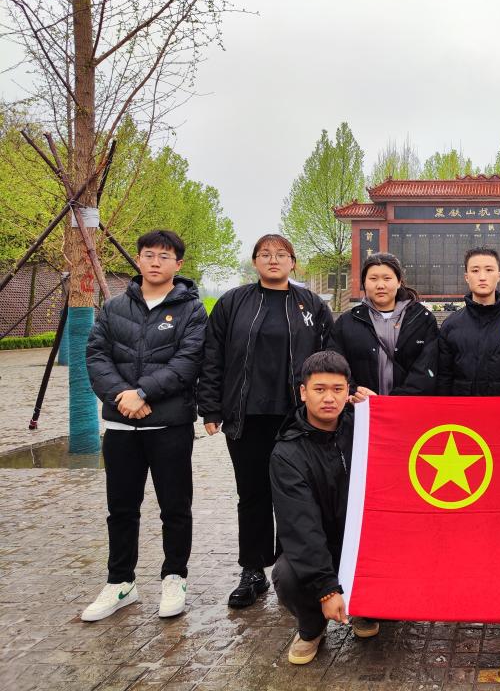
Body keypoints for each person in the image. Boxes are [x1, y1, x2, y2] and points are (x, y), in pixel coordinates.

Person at [197, 234, 333, 609]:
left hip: (297, 419)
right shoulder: (233, 302)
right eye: (265, 254)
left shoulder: (311, 305)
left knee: (299, 495)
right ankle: (252, 570)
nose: (273, 260)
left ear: (293, 262)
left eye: (281, 254)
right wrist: (210, 407)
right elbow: (212, 356)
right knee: (253, 494)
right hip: (247, 417)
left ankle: (297, 569)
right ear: (255, 261)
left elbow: (328, 357)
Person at [83, 230, 207, 621]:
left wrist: (143, 393)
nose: (155, 261)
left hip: (169, 426)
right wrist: (123, 396)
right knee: (121, 508)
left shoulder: (191, 310)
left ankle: (174, 576)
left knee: (175, 507)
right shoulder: (114, 307)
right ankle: (120, 581)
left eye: (164, 256)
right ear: (138, 259)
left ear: (178, 264)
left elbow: (188, 362)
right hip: (121, 427)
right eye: (149, 254)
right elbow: (96, 356)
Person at [270, 350, 379, 664]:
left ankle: (365, 610)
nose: (329, 398)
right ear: (303, 392)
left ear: (348, 392)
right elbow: (300, 526)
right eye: (319, 389)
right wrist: (327, 589)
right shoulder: (287, 453)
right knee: (287, 575)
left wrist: (382, 411)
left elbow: (408, 450)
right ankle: (312, 626)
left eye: (337, 389)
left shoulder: (364, 429)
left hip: (361, 546)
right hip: (318, 546)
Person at [330, 252, 439, 396]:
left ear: (399, 282)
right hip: (360, 405)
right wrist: (355, 392)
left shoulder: (422, 319)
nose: (380, 285)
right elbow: (335, 365)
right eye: (373, 279)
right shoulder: (347, 322)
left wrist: (392, 402)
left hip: (408, 406)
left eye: (387, 278)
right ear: (364, 283)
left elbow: (427, 369)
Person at [437, 247, 500, 395]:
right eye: (475, 270)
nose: (482, 277)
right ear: (466, 277)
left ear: (499, 276)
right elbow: (443, 378)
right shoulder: (450, 325)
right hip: (463, 407)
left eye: (489, 270)